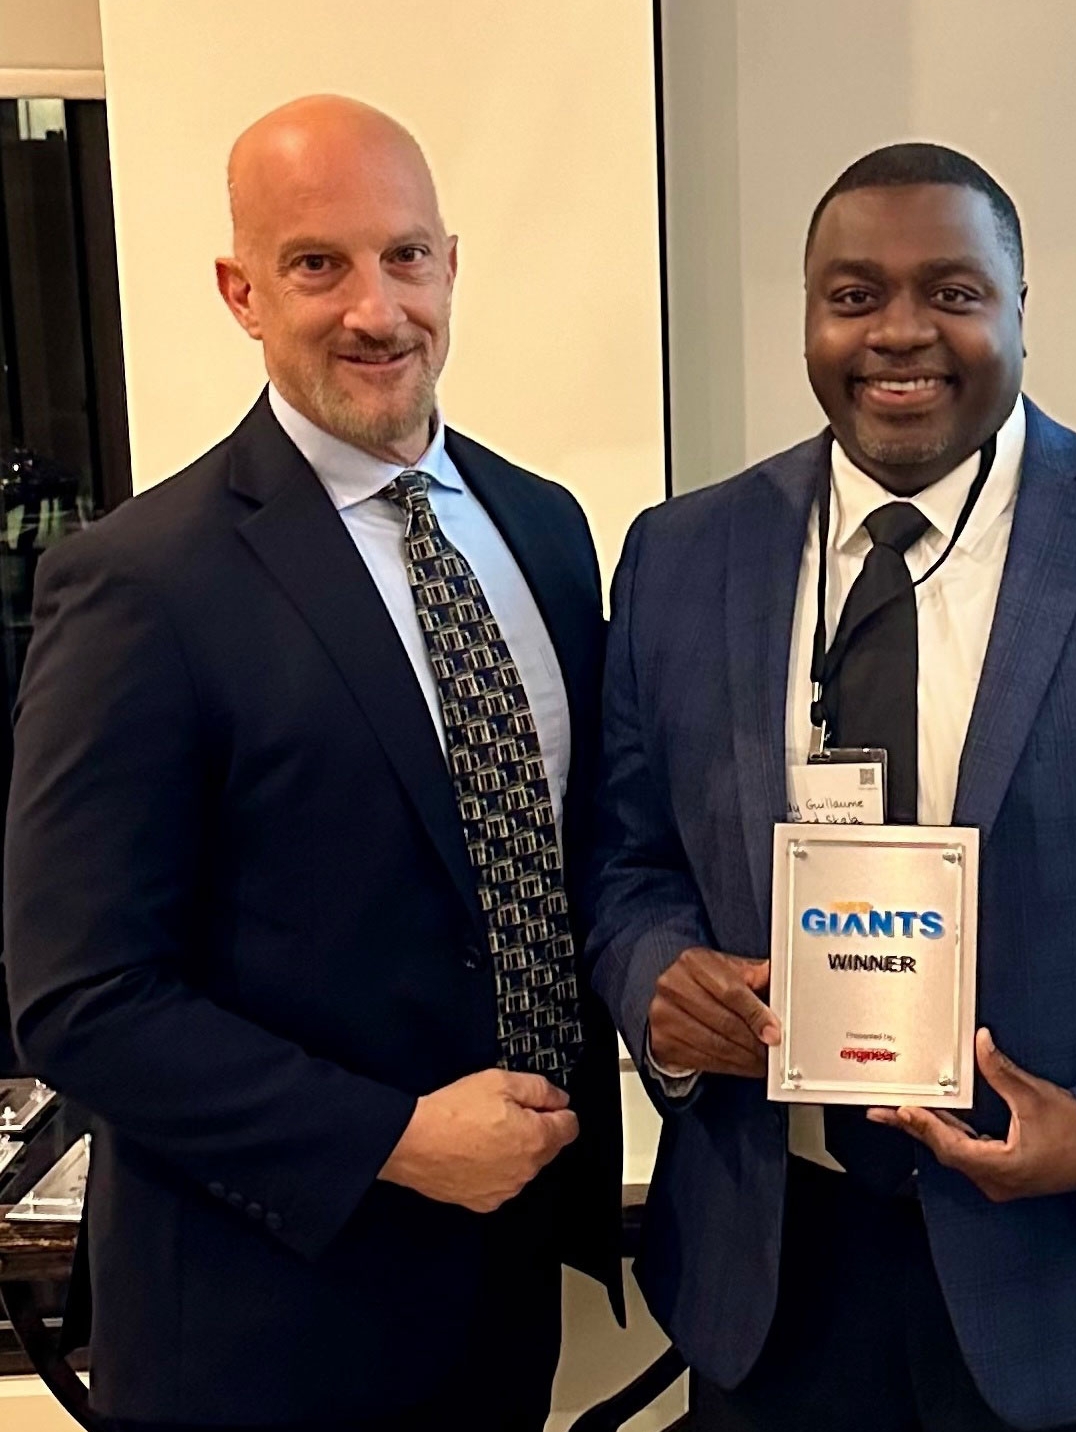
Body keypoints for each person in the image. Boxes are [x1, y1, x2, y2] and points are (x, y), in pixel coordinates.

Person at [589, 142, 1076, 1432]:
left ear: (1017, 309)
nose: (900, 333)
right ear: (808, 316)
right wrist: (658, 983)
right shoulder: (683, 554)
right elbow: (624, 859)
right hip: (776, 1276)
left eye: (952, 292)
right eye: (852, 295)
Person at [4, 96, 621, 1431]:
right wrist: (391, 1141)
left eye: (404, 257)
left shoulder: (547, 531)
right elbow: (80, 999)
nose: (375, 308)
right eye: (316, 264)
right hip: (258, 1327)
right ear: (241, 290)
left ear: (450, 264)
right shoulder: (137, 583)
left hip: (501, 1296)